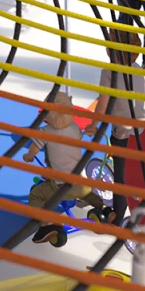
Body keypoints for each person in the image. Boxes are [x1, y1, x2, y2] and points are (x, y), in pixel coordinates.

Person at [25, 89, 100, 245]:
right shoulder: (73, 127)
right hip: (83, 184)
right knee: (88, 193)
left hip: (62, 186)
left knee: (36, 195)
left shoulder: (45, 132)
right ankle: (103, 211)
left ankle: (47, 225)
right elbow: (81, 136)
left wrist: (29, 156)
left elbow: (33, 149)